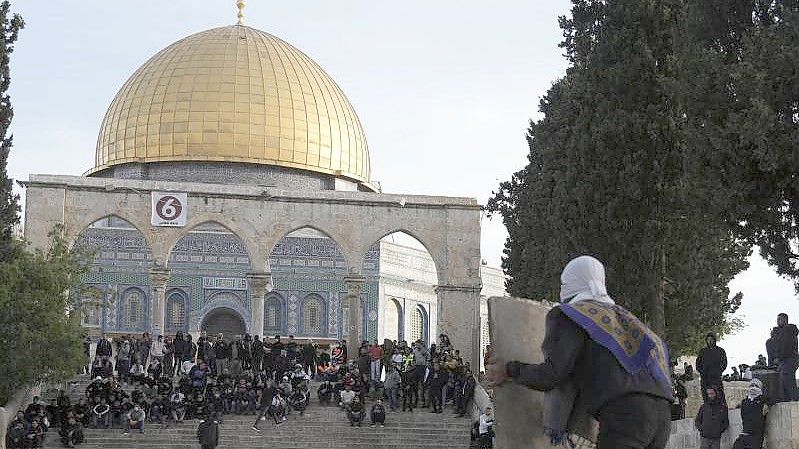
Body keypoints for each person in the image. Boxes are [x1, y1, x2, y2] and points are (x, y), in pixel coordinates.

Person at [486, 256, 673, 449]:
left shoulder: (573, 315)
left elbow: (552, 374)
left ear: (570, 283)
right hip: (663, 417)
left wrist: (509, 369)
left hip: (625, 416)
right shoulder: (625, 319)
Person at [732, 378, 770, 449]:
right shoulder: (745, 401)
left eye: (756, 386)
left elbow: (772, 399)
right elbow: (743, 416)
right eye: (752, 385)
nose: (753, 387)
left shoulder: (762, 399)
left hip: (756, 435)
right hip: (745, 432)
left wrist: (766, 403)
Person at [773, 312, 798, 402]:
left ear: (785, 320)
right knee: (781, 378)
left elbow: (786, 346)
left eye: (780, 319)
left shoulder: (789, 330)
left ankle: (794, 398)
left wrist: (779, 357)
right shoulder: (780, 332)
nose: (778, 321)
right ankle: (786, 398)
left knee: (787, 377)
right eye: (777, 319)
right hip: (784, 359)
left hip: (790, 358)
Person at [697, 334, 728, 402]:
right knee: (706, 396)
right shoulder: (703, 351)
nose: (710, 341)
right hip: (705, 378)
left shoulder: (720, 351)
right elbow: (698, 363)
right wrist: (702, 372)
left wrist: (718, 372)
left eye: (711, 339)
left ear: (714, 340)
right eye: (708, 340)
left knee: (719, 395)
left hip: (716, 378)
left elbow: (724, 363)